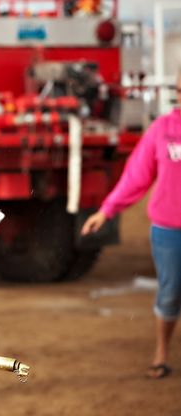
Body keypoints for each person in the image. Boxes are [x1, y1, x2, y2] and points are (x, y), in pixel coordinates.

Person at [81, 74, 181, 380]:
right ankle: (161, 352)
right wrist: (107, 210)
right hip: (169, 230)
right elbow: (137, 175)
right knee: (170, 294)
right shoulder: (163, 129)